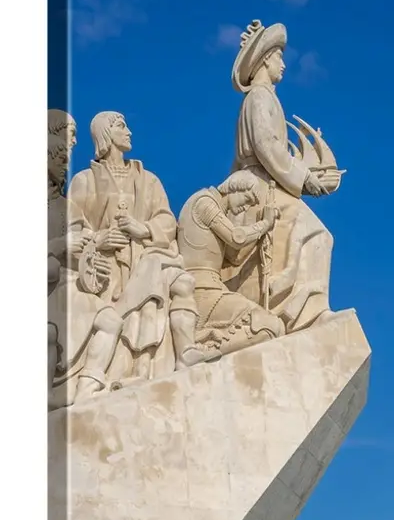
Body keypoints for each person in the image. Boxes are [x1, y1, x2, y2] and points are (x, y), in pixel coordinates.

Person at [68, 111, 213, 385]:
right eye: (122, 126)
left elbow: (166, 219)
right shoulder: (84, 181)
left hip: (148, 254)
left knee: (181, 281)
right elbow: (72, 230)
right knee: (145, 287)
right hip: (107, 269)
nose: (129, 132)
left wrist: (143, 228)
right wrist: (100, 239)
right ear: (106, 133)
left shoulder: (148, 179)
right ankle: (135, 371)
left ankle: (185, 351)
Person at [228, 21, 342, 332]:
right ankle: (309, 313)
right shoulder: (259, 97)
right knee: (318, 235)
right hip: (261, 184)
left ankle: (301, 306)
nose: (284, 64)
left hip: (266, 181)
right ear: (265, 59)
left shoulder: (265, 98)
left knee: (315, 236)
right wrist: (304, 178)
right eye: (279, 56)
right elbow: (266, 146)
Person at [47, 112, 123, 408]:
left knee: (111, 320)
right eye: (60, 159)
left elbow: (85, 241)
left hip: (68, 286)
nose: (67, 164)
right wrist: (60, 245)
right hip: (48, 289)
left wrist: (95, 258)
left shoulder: (66, 206)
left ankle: (86, 391)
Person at [177, 170, 284, 355]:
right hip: (202, 291)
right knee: (269, 325)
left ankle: (206, 351)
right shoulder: (204, 202)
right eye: (247, 199)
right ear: (235, 187)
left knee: (275, 327)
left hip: (213, 290)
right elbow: (236, 238)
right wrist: (265, 224)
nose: (246, 207)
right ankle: (204, 353)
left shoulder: (217, 210)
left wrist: (260, 228)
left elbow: (235, 257)